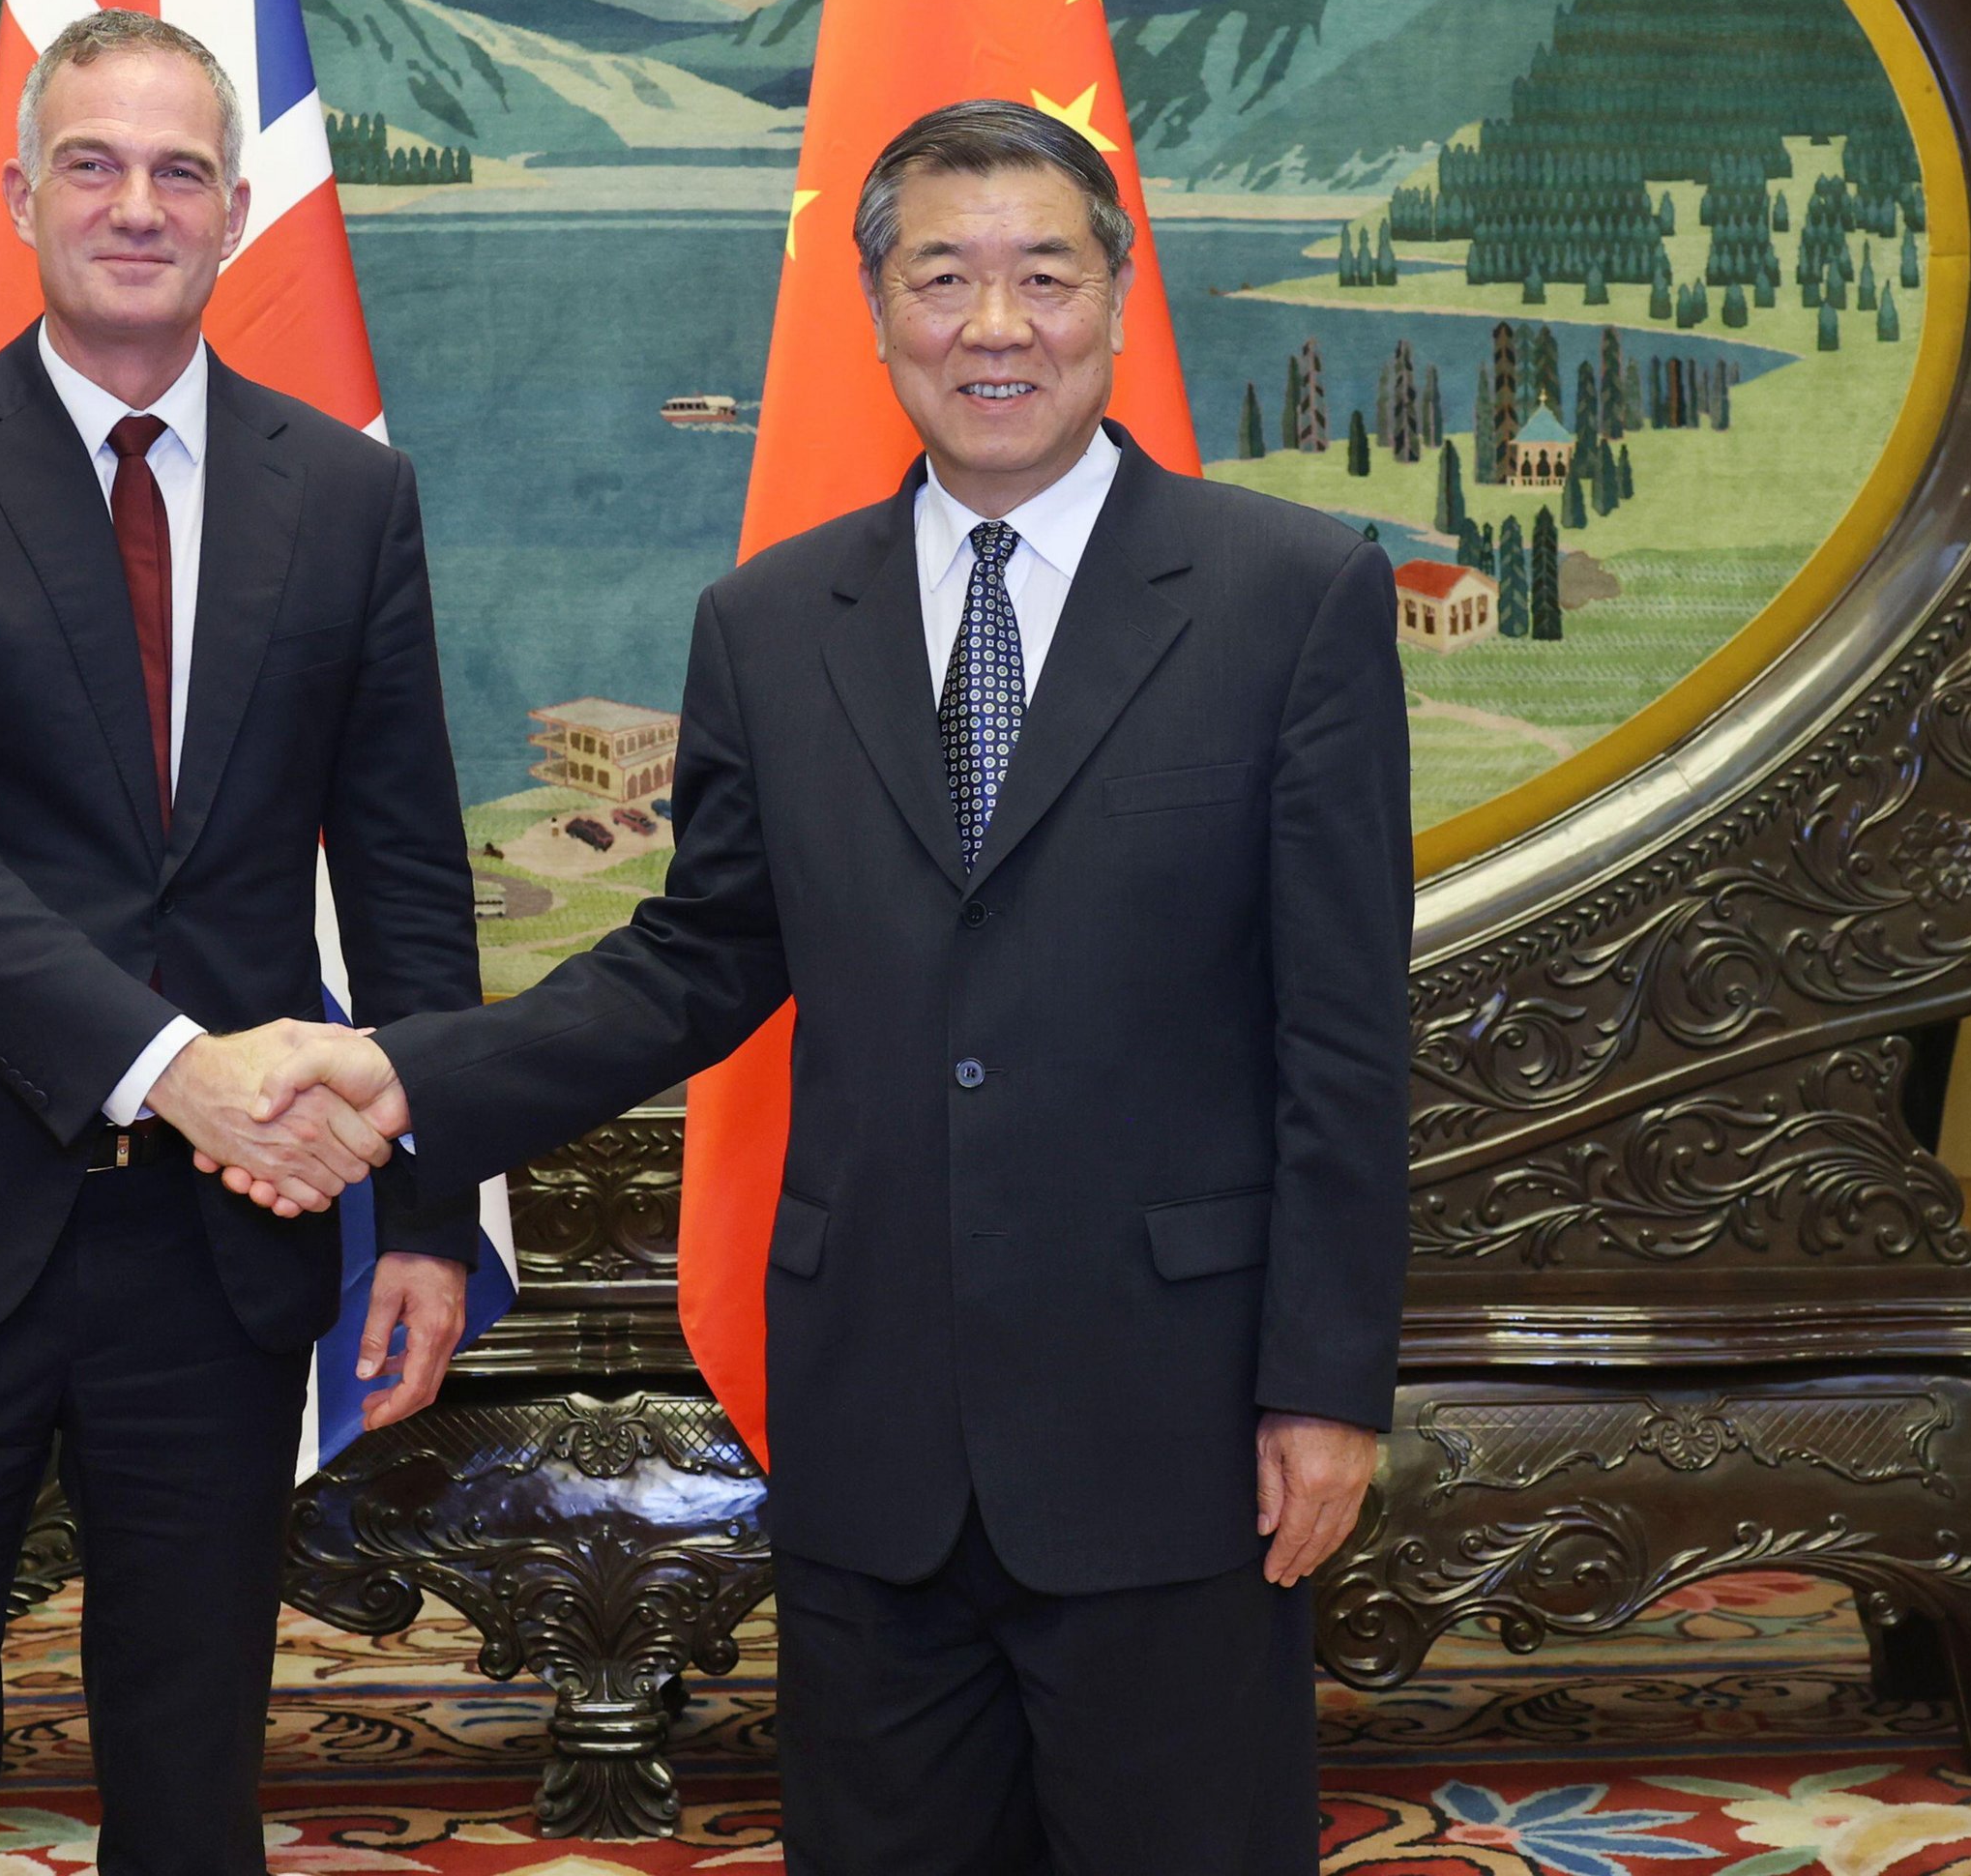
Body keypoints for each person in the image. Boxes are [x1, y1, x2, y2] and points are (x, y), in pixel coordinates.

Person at [244, 100, 1411, 1874]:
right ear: (878, 318)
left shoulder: (1287, 593)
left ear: (1114, 296)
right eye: (944, 278)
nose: (994, 326)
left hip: (1170, 1416)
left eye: (1042, 275)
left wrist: (1323, 1385)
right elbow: (701, 955)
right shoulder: (774, 621)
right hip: (876, 1417)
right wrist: (410, 1082)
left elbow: (1340, 1031)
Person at [0, 8, 472, 1876]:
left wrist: (425, 1214)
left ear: (238, 209)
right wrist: (184, 1074)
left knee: (192, 1773)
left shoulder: (350, 496)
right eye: (91, 163)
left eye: (177, 171)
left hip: (217, 1260)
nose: (134, 205)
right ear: (19, 200)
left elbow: (403, 871)